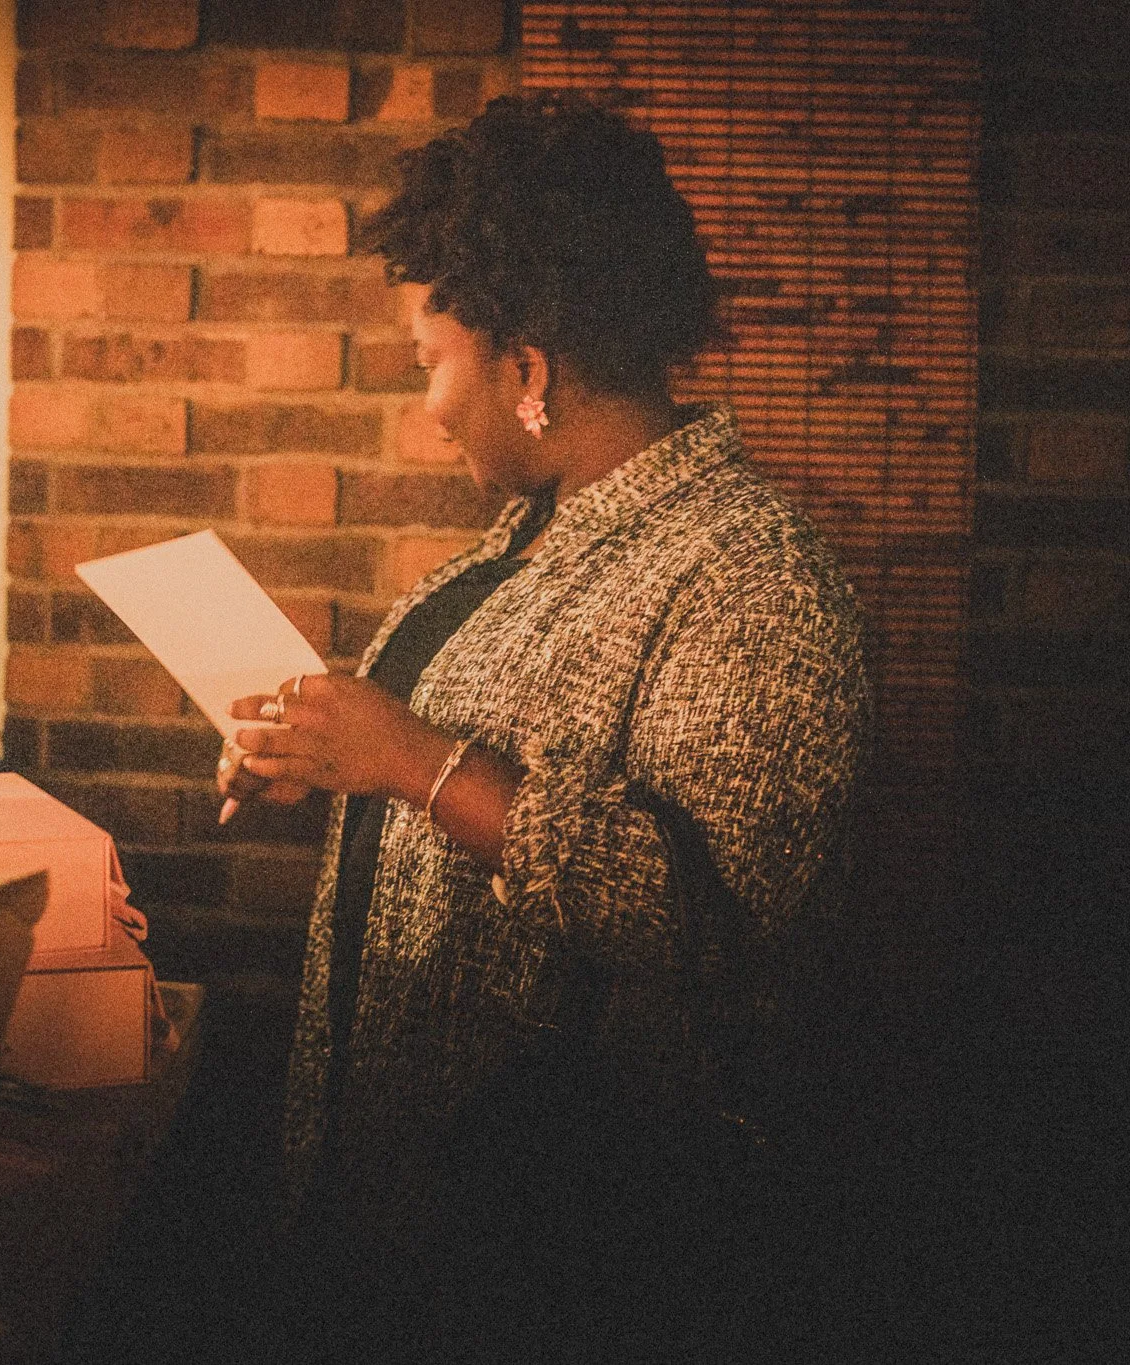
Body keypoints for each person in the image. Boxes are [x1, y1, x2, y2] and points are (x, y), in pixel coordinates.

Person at [216, 95, 867, 1354]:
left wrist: (409, 760)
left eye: (428, 363)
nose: (426, 409)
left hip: (563, 1256)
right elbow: (434, 789)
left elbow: (708, 922)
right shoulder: (525, 543)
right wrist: (322, 754)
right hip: (409, 1201)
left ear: (524, 367)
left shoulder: (750, 571)